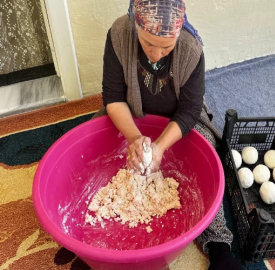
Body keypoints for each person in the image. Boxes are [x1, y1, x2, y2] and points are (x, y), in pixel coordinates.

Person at [94, 0, 244, 269]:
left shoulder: (190, 48)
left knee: (207, 154)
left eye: (166, 47)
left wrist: (160, 146)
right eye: (148, 43)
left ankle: (219, 246)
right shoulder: (119, 34)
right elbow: (113, 97)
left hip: (178, 119)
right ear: (135, 25)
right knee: (95, 132)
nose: (156, 54)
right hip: (131, 110)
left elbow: (190, 109)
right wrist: (133, 137)